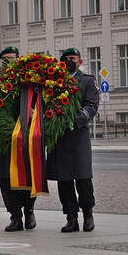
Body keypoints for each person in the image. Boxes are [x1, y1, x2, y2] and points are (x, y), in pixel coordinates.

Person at [47, 48, 99, 233]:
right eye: (66, 58)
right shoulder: (54, 82)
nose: (69, 61)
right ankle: (71, 218)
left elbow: (91, 106)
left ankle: (88, 214)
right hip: (59, 137)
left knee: (83, 178)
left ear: (80, 61)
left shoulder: (87, 81)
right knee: (64, 180)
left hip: (78, 136)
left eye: (73, 58)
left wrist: (73, 120)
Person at [0, 47, 37, 231]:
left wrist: (33, 114)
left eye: (12, 58)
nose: (9, 61)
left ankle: (29, 210)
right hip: (2, 139)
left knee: (29, 176)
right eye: (5, 59)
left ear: (19, 59)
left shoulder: (29, 79)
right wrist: (2, 129)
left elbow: (39, 101)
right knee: (5, 179)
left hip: (26, 136)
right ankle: (15, 216)